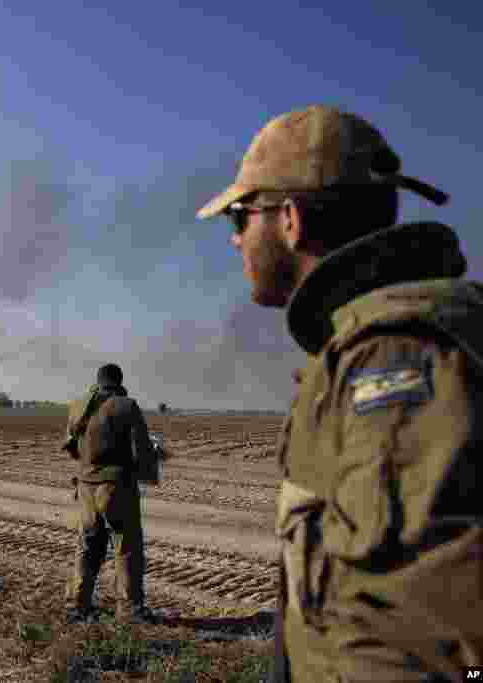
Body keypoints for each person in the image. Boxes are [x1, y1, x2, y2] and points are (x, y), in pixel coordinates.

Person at [197, 105, 482, 682]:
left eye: (239, 218)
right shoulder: (362, 348)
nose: (235, 241)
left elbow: (435, 641)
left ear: (291, 220)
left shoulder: (397, 358)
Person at [63, 363, 161, 625]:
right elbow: (141, 451)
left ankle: (78, 606)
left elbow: (72, 449)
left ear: (98, 381)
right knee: (127, 547)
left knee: (87, 545)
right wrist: (153, 460)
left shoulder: (78, 406)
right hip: (116, 488)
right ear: (119, 382)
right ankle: (129, 611)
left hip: (85, 487)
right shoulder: (126, 406)